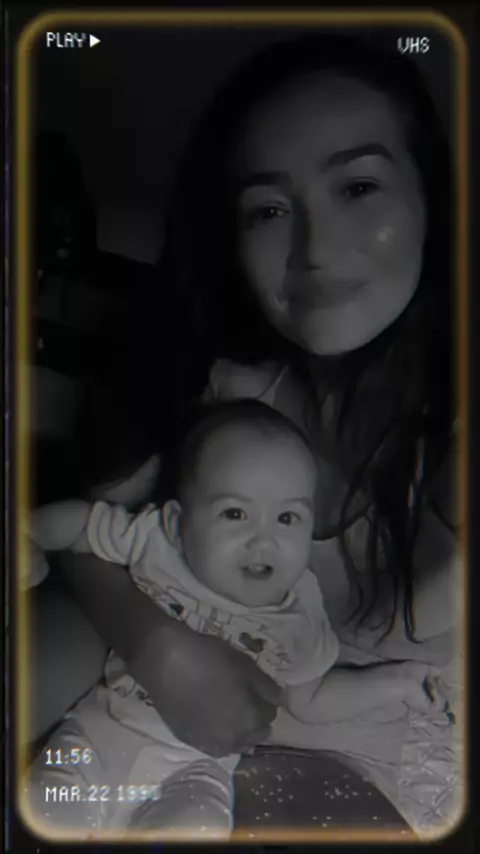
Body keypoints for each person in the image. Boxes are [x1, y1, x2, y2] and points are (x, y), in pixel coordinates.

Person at [28, 33, 462, 836]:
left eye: (358, 186)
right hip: (137, 693)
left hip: (346, 755)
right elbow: (90, 538)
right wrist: (162, 649)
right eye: (268, 209)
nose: (314, 250)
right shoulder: (220, 386)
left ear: (432, 200)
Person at [24, 401, 447, 838]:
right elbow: (83, 524)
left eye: (287, 518)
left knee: (195, 827)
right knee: (48, 804)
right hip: (101, 730)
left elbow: (311, 698)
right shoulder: (158, 541)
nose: (264, 540)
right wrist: (30, 533)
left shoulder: (298, 614)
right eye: (235, 514)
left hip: (195, 767)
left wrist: (396, 684)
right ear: (179, 522)